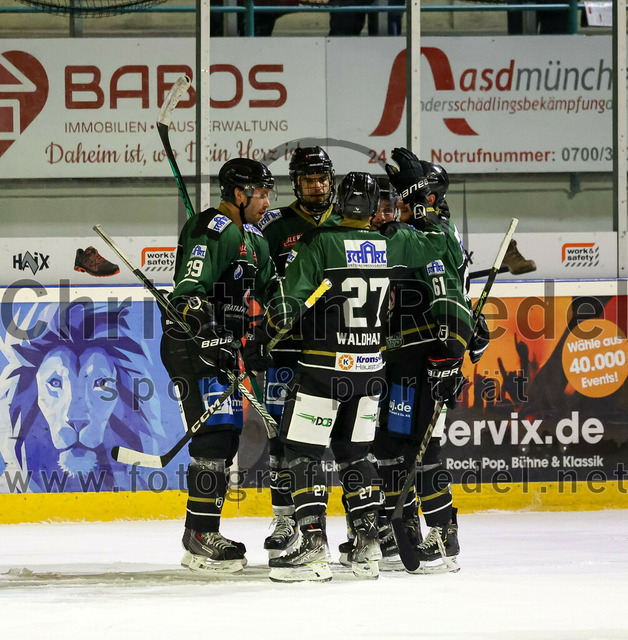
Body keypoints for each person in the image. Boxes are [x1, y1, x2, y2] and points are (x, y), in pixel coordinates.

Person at [244, 171, 448, 582]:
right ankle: (367, 545)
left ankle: (313, 545)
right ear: (373, 207)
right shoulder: (393, 242)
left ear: (339, 201)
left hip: (323, 369)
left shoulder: (319, 242)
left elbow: (286, 303)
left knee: (302, 453)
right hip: (370, 371)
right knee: (356, 455)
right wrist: (424, 206)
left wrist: (261, 340)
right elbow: (441, 244)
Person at [372, 149, 490, 574]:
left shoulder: (433, 232)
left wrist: (447, 356)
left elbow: (447, 297)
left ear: (427, 199)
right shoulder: (422, 230)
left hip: (425, 358)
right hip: (399, 357)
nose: (394, 206)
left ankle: (443, 532)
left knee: (422, 448)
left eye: (403, 199)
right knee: (390, 444)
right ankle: (401, 526)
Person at [160, 158, 278, 574]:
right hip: (191, 345)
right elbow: (187, 293)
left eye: (269, 194)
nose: (267, 202)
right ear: (239, 194)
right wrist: (207, 330)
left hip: (225, 348)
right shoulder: (211, 229)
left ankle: (203, 532)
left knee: (226, 438)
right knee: (214, 438)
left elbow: (272, 292)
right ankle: (198, 537)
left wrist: (266, 333)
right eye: (260, 194)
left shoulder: (255, 240)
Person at [256, 146, 342, 560]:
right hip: (287, 347)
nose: (317, 186)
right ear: (296, 183)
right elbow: (258, 278)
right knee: (281, 437)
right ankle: (285, 518)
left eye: (322, 178)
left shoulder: (346, 222)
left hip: (337, 347)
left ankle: (366, 525)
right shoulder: (275, 226)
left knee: (346, 439)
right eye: (309, 180)